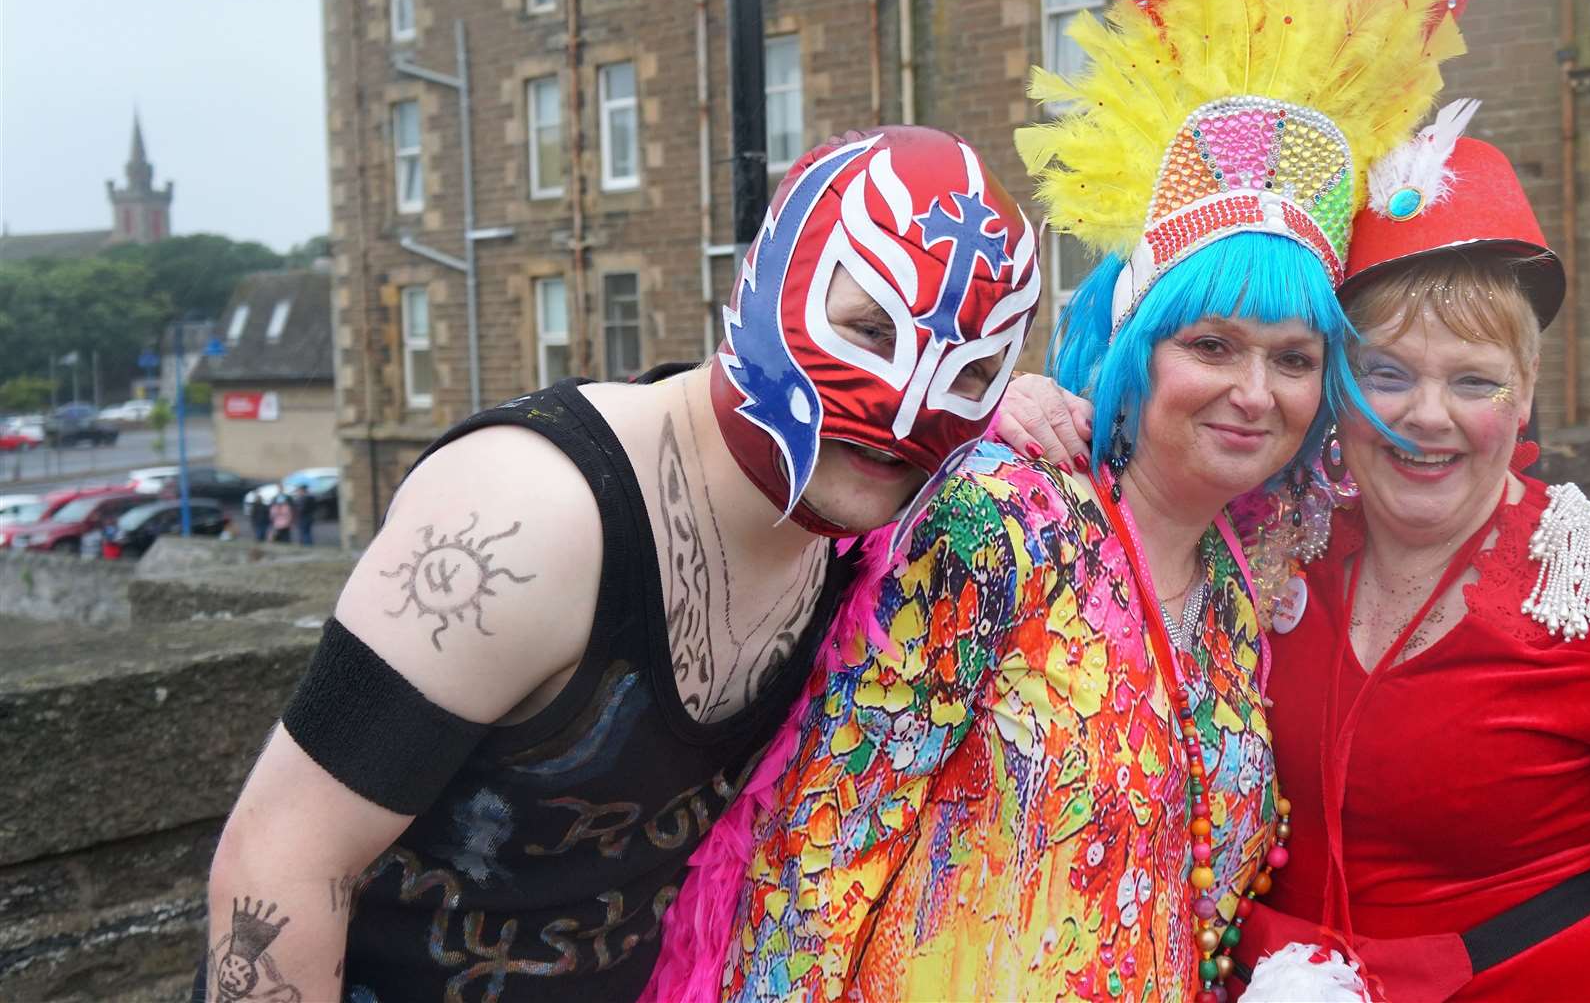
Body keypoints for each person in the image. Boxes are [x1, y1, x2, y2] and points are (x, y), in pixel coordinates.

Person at [648, 0, 1488, 1000]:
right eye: (1213, 344)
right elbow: (818, 857)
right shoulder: (1005, 521)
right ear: (1140, 349)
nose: (1254, 390)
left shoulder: (1242, 589)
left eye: (1294, 359)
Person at [199, 126, 1044, 1002]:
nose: (908, 403)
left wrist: (1026, 407)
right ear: (768, 282)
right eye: (870, 328)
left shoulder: (860, 535)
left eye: (973, 369)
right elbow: (283, 860)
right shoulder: (527, 516)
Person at [1003, 129, 1590, 1000]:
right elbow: (1143, 463)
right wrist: (1006, 406)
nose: (1426, 415)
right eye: (1386, 373)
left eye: (1475, 382)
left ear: (1526, 394)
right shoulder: (1263, 531)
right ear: (1338, 385)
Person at [290, 482, 316, 546]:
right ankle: (307, 544)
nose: (298, 492)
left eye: (299, 490)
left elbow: (301, 509)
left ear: (302, 490)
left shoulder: (304, 498)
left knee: (304, 532)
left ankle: (307, 545)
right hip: (308, 517)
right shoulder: (311, 497)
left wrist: (296, 509)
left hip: (304, 517)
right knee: (306, 532)